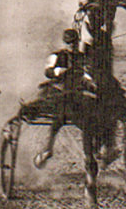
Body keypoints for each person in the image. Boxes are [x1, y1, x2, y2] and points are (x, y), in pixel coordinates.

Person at [31, 28, 85, 168]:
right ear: (65, 43)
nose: (72, 45)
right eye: (69, 43)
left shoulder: (82, 57)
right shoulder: (57, 56)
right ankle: (48, 149)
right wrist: (56, 71)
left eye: (75, 43)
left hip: (77, 92)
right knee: (60, 115)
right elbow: (47, 70)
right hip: (58, 90)